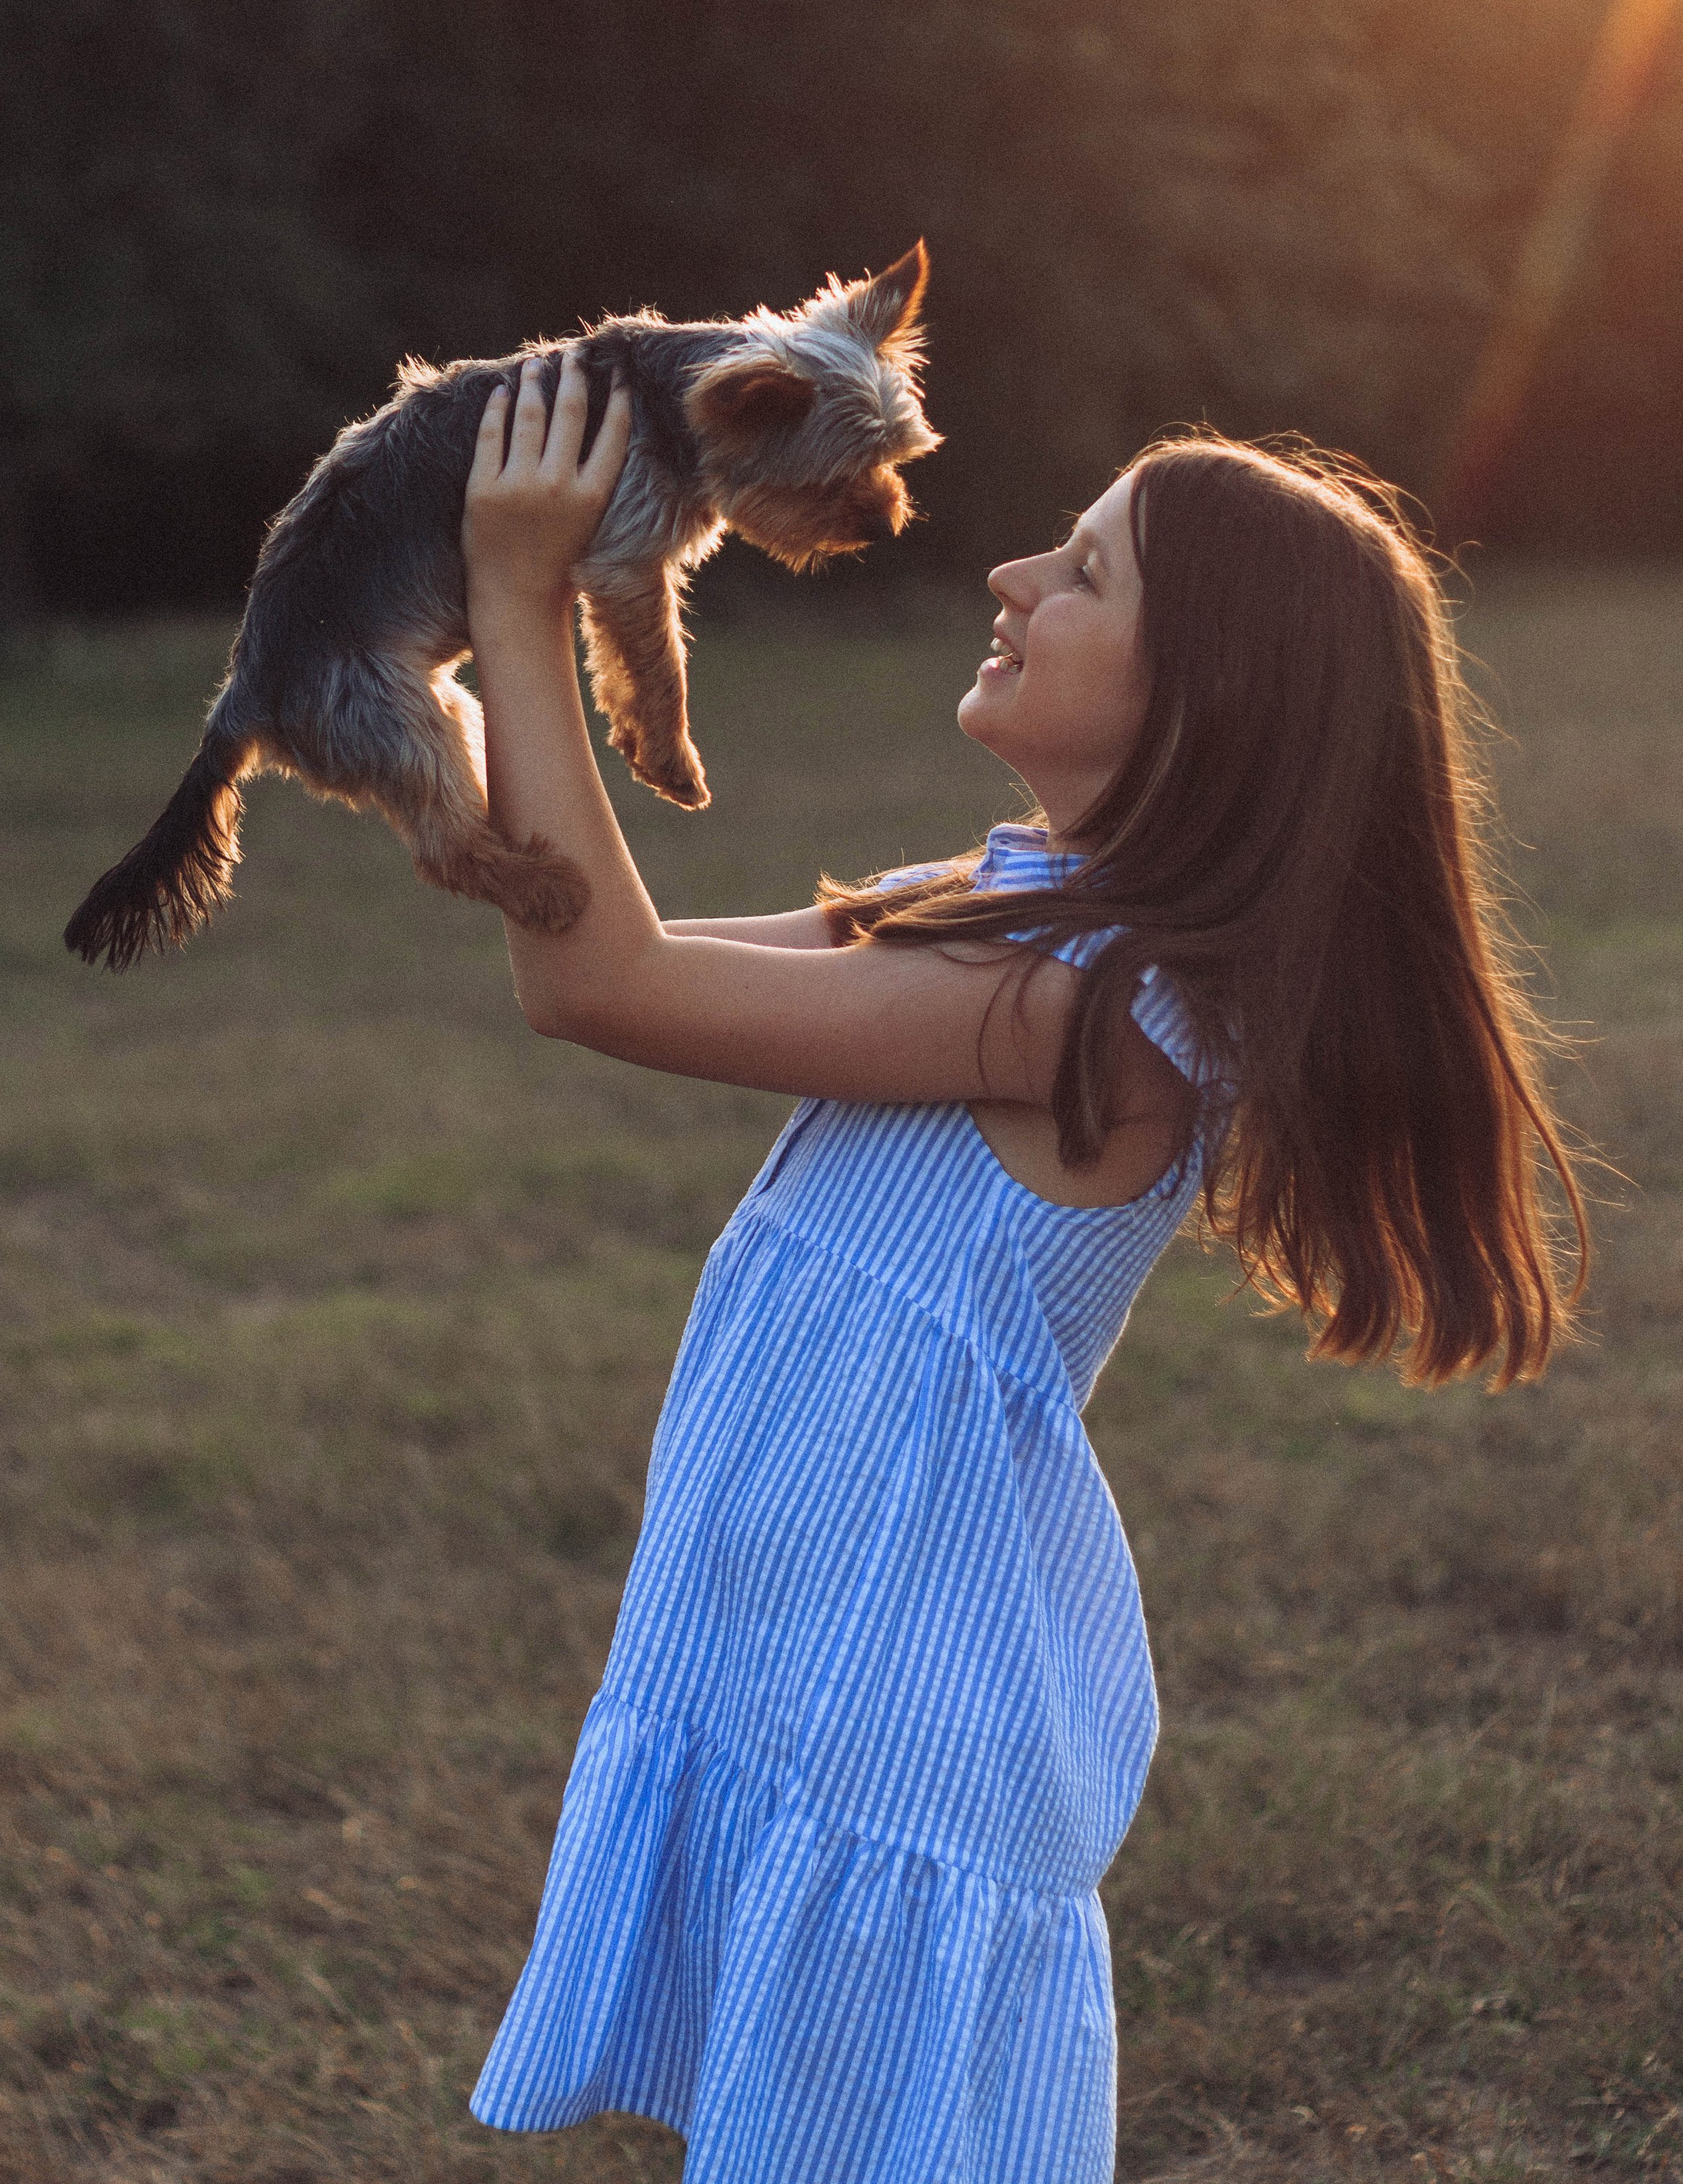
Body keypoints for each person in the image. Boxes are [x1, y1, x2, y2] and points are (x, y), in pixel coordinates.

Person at [456, 355, 1585, 2183]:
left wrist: (521, 596)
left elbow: (596, 982)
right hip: (810, 1669)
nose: (1007, 581)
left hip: (896, 1722)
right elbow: (594, 938)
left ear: (1199, 694)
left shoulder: (1091, 1009)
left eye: (1082, 573)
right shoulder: (1017, 903)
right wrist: (481, 641)